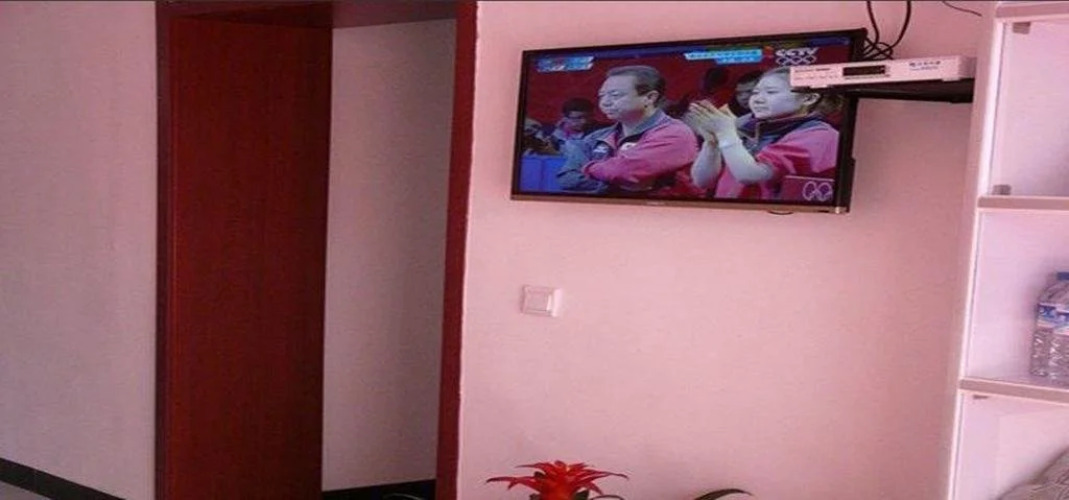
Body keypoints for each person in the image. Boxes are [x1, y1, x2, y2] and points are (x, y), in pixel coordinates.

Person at [684, 66, 841, 200]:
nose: (757, 99)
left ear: (809, 98)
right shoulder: (744, 127)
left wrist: (726, 133)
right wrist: (711, 142)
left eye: (771, 92)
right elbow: (702, 181)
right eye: (755, 93)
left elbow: (750, 175)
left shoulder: (820, 135)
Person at [556, 65, 700, 196]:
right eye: (602, 95)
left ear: (649, 98)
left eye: (615, 95)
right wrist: (617, 184)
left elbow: (623, 170)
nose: (605, 102)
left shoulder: (675, 133)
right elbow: (567, 180)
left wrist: (588, 169)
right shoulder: (597, 137)